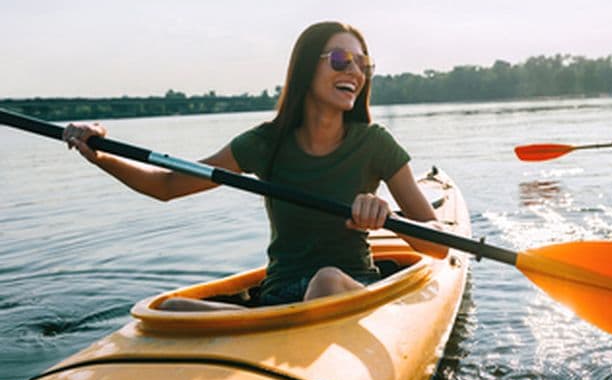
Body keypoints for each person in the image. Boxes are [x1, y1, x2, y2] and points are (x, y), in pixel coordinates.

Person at [61, 21, 447, 311]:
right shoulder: (264, 143)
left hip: (347, 288)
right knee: (170, 308)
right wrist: (100, 153)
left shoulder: (375, 144)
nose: (355, 72)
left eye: (364, 64)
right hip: (278, 298)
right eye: (341, 59)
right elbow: (167, 185)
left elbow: (439, 244)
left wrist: (388, 217)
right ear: (304, 68)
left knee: (326, 280)